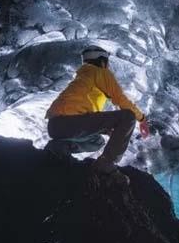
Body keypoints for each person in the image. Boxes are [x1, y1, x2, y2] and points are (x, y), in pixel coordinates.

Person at [44, 46, 149, 174]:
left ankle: (58, 148)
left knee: (97, 142)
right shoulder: (100, 72)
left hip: (55, 127)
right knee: (127, 116)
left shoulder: (83, 77)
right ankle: (106, 163)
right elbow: (121, 100)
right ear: (102, 61)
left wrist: (106, 129)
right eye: (107, 62)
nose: (108, 65)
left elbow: (83, 116)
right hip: (69, 123)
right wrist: (142, 119)